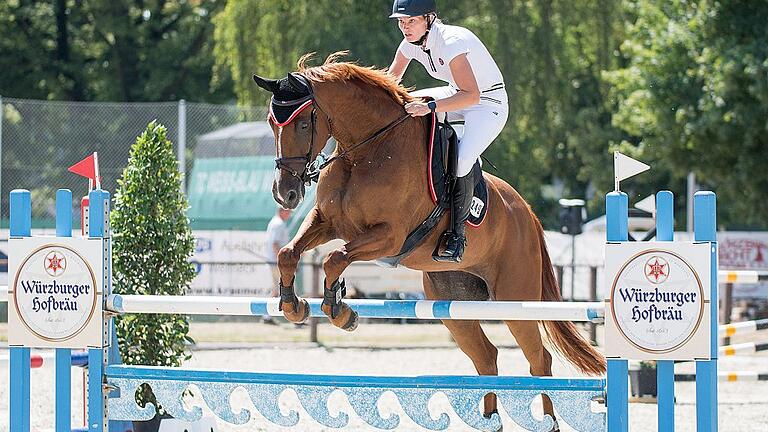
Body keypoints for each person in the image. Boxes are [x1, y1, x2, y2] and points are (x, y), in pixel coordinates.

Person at [387, 0, 509, 262]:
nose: (405, 27)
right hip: (456, 94)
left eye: (412, 21)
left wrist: (430, 107)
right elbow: (390, 85)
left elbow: (472, 95)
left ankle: (457, 234)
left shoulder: (451, 41)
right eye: (401, 22)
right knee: (401, 109)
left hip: (488, 104)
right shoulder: (409, 44)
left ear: (429, 19)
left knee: (462, 159)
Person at [265, 207, 292, 324]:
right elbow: (275, 244)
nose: (290, 214)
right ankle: (295, 317)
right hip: (277, 262)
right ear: (282, 211)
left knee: (276, 290)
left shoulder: (274, 222)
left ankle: (266, 316)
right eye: (288, 211)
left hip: (274, 261)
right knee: (288, 288)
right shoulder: (278, 224)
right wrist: (282, 261)